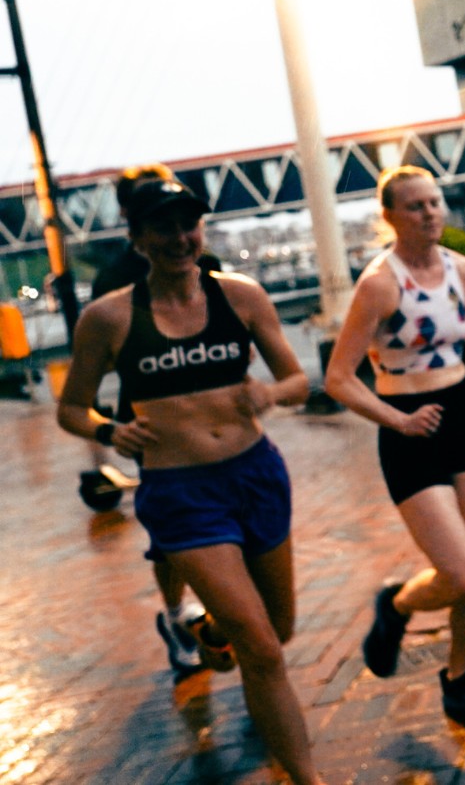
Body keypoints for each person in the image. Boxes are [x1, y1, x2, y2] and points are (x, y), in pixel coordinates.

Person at [56, 179, 324, 785]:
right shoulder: (109, 317)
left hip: (255, 476)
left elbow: (298, 381)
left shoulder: (242, 297)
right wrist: (106, 430)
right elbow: (70, 408)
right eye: (163, 227)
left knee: (276, 632)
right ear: (138, 237)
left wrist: (270, 391)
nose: (180, 238)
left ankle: (210, 629)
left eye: (189, 224)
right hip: (181, 494)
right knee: (262, 649)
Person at [323, 165, 465, 724]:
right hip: (408, 427)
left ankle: (460, 682)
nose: (430, 213)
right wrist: (397, 421)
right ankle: (397, 605)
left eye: (435, 202)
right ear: (390, 217)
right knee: (460, 574)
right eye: (415, 206)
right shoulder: (380, 284)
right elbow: (338, 378)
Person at [87, 163, 226, 678]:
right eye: (149, 204)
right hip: (155, 428)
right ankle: (176, 614)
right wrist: (110, 428)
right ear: (131, 217)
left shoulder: (207, 264)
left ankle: (223, 620)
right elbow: (92, 363)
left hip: (219, 418)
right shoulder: (113, 280)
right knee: (171, 531)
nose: (174, 231)